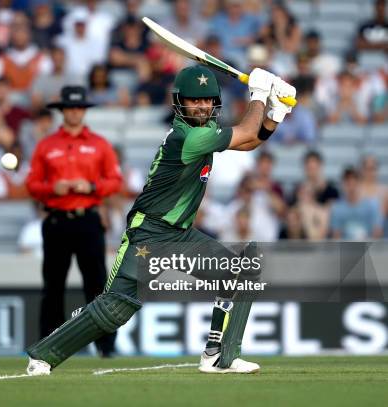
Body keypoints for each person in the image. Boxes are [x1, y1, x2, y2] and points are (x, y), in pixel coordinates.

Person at [25, 66, 296, 375]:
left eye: (207, 100)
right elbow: (247, 131)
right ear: (180, 103)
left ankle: (219, 355)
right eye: (195, 101)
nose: (202, 106)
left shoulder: (203, 134)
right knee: (115, 308)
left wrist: (277, 111)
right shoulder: (188, 136)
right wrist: (259, 94)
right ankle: (43, 355)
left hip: (180, 234)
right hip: (150, 233)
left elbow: (251, 142)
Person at [25, 85, 123, 359]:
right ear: (63, 111)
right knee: (53, 286)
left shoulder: (99, 144)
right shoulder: (46, 145)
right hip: (57, 221)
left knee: (97, 286)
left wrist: (91, 185)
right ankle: (48, 346)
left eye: (79, 108)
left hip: (88, 220)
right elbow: (32, 183)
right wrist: (50, 189)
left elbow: (116, 181)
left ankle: (106, 346)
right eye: (70, 108)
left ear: (84, 111)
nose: (75, 112)